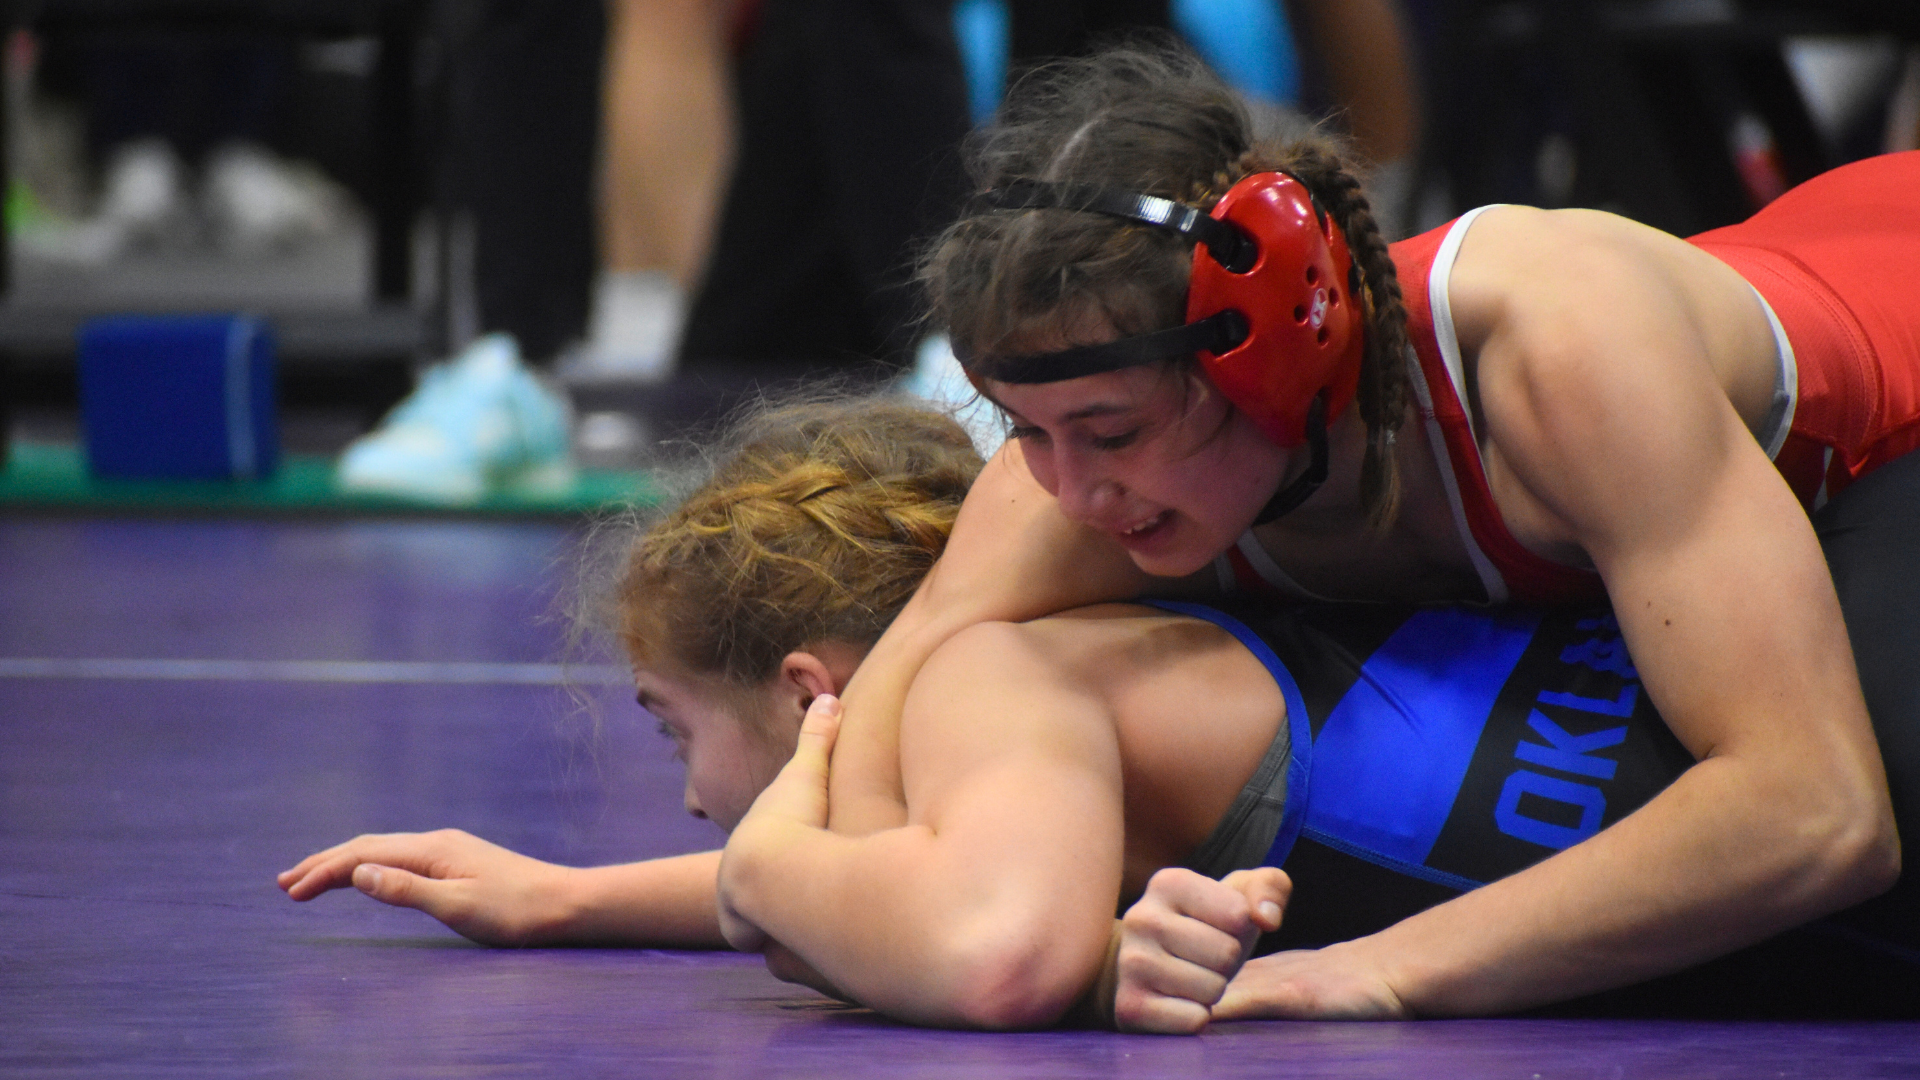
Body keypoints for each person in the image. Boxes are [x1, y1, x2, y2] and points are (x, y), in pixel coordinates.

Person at [783, 43, 1920, 1028]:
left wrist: (1378, 971)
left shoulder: (1557, 356)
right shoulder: (1071, 484)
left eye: (1107, 431)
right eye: (1024, 431)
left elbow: (1816, 812)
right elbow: (867, 853)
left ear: (1271, 354)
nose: (1070, 492)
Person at [279, 399, 1917, 1028]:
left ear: (811, 696)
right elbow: (942, 873)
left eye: (668, 731)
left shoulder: (998, 680)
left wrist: (776, 862)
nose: (697, 801)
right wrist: (568, 899)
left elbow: (995, 947)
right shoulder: (1119, 634)